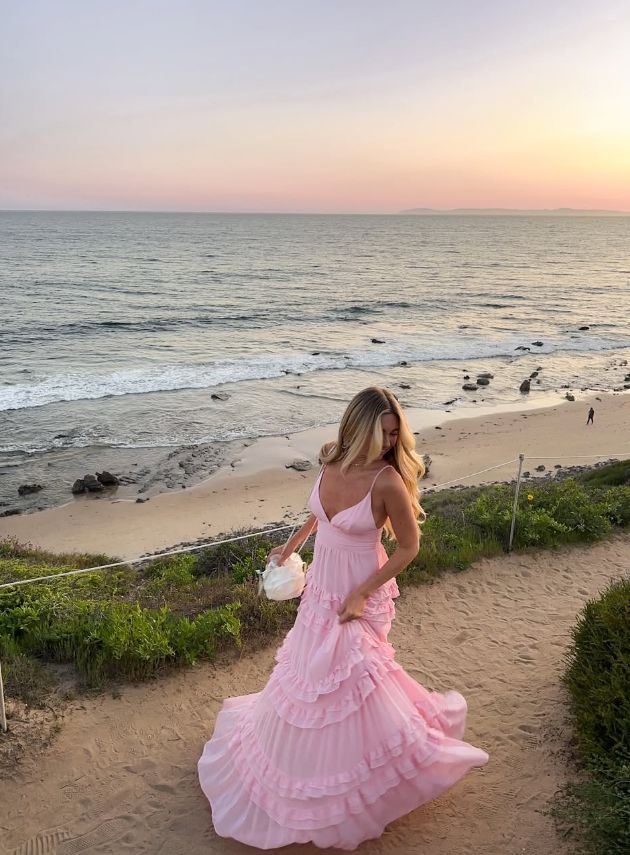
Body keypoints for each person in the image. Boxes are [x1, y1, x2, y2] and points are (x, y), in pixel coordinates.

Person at [197, 386, 489, 850]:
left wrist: (361, 593)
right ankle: (316, 766)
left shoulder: (388, 482)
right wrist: (290, 547)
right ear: (358, 429)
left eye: (396, 435)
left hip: (359, 592)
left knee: (354, 682)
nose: (392, 443)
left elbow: (410, 548)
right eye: (384, 434)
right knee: (308, 676)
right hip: (320, 587)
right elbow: (318, 515)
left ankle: (389, 769)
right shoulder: (331, 461)